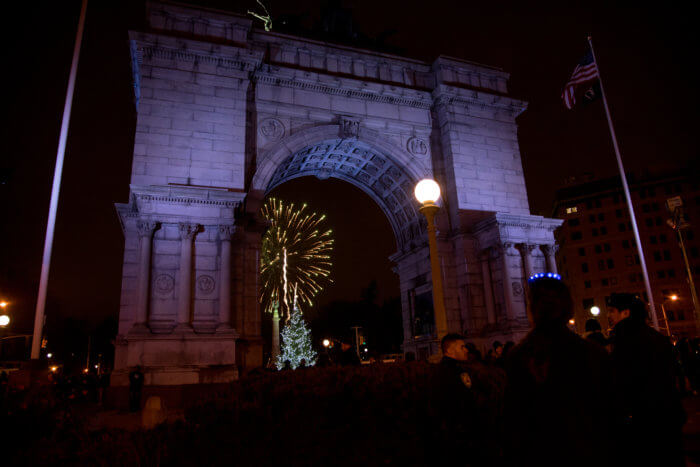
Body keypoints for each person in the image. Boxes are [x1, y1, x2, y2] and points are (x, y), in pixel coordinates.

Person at [504, 277, 614, 466]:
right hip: (588, 452)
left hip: (540, 455)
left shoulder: (519, 357)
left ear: (532, 310)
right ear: (568, 308)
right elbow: (610, 413)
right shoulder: (593, 353)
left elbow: (513, 422)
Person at [607, 293, 685, 466]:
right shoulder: (658, 338)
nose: (609, 315)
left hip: (642, 420)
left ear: (625, 313)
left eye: (612, 311)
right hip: (668, 415)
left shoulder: (624, 340)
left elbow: (622, 381)